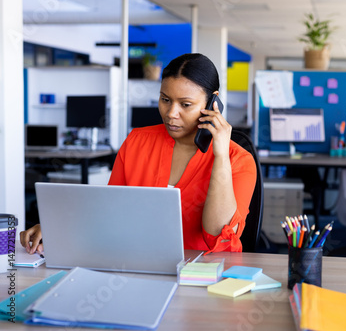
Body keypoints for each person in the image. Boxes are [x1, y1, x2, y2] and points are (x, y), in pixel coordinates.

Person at [21, 53, 257, 254]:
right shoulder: (138, 141)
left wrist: (221, 156)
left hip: (203, 279)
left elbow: (217, 235)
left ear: (212, 102)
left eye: (185, 105)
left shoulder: (239, 161)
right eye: (165, 100)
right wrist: (58, 227)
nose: (171, 113)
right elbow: (110, 212)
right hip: (133, 264)